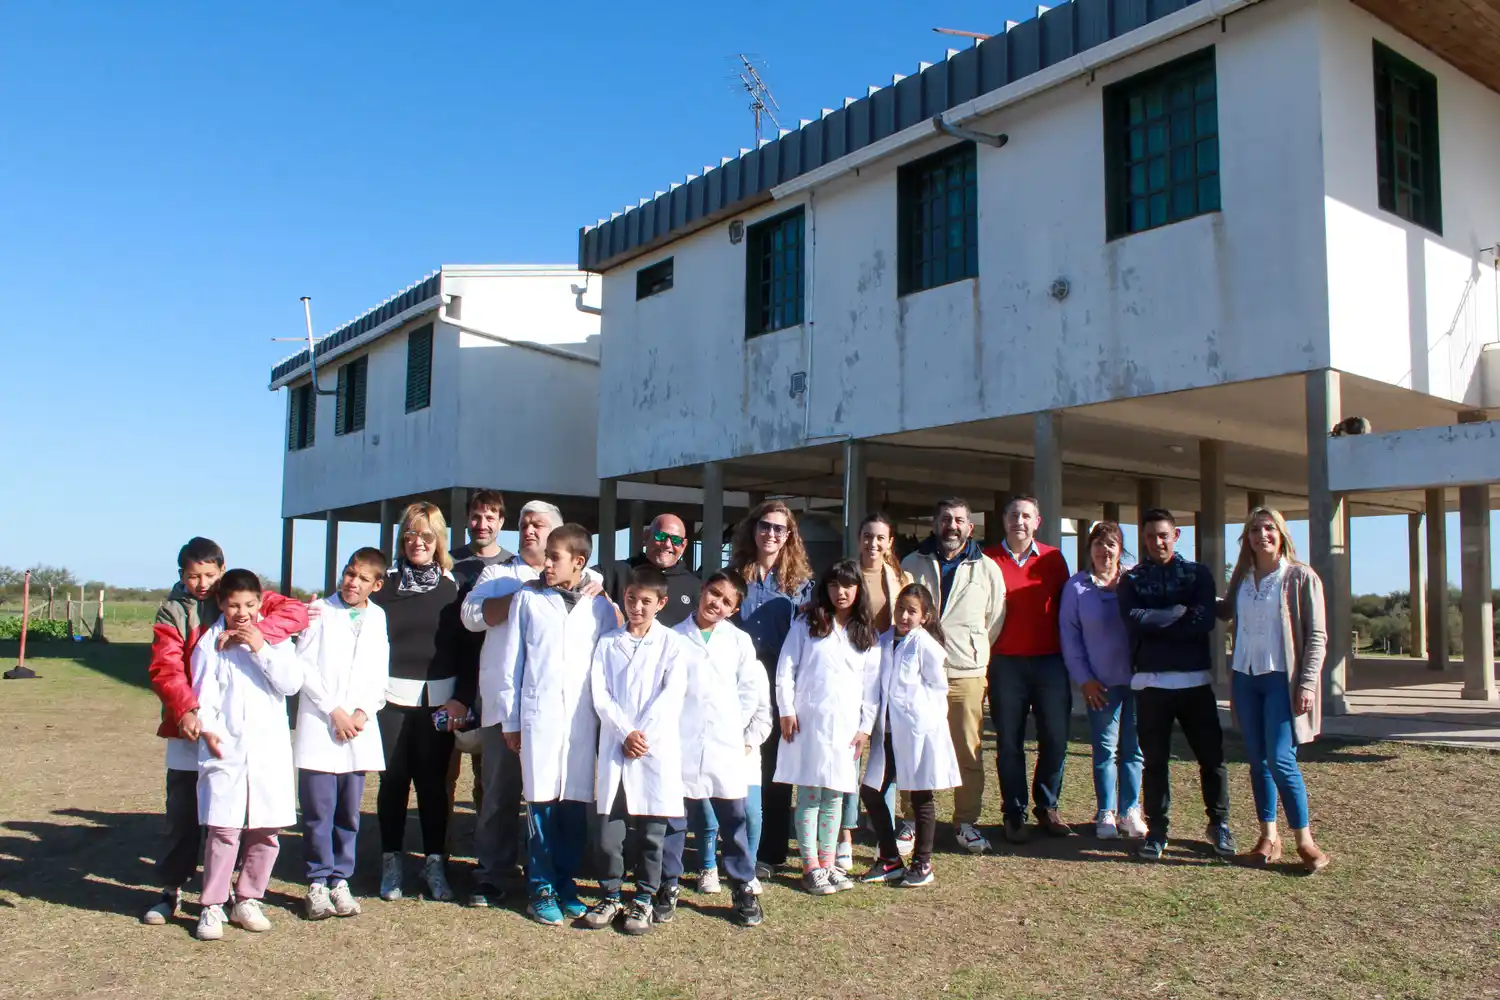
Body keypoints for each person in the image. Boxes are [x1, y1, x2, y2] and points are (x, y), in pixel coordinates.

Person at [142, 537, 308, 926]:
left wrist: (260, 639)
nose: (202, 583)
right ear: (181, 575)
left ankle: (244, 895)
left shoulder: (250, 600)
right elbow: (167, 667)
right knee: (187, 815)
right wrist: (187, 711)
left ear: (222, 570)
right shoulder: (173, 611)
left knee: (257, 822)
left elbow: (295, 614)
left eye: (209, 575)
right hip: (195, 729)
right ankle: (174, 891)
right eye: (193, 576)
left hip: (256, 738)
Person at [492, 522, 618, 926]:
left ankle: (566, 885)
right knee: (541, 805)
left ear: (579, 562)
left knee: (573, 807)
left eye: (555, 557)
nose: (546, 563)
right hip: (540, 718)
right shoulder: (528, 600)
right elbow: (512, 663)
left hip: (581, 724)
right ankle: (540, 887)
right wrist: (511, 720)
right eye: (545, 555)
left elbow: (608, 666)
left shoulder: (599, 608)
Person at [461, 499, 577, 908]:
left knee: (553, 796)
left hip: (558, 711)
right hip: (505, 707)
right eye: (525, 524)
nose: (530, 531)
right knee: (499, 794)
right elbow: (472, 616)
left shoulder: (583, 580)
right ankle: (492, 873)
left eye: (539, 525)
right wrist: (522, 595)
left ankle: (547, 873)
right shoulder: (499, 573)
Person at [189, 569, 304, 941]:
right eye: (234, 605)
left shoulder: (273, 638)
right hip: (227, 748)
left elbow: (290, 683)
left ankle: (249, 897)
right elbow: (203, 693)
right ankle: (212, 905)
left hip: (267, 749)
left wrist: (260, 647)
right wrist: (209, 730)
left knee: (266, 830)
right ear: (221, 603)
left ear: (260, 603)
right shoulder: (211, 643)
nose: (242, 612)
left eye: (250, 605)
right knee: (224, 830)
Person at [1218, 507, 1331, 874]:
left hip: (1281, 680)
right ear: (1246, 538)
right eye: (1253, 529)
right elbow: (1222, 612)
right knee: (1257, 759)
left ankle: (1305, 841)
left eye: (1268, 528)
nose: (1261, 535)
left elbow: (1316, 636)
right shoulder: (1243, 577)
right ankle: (1268, 838)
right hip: (1246, 678)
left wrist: (1308, 682)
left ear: (1281, 534)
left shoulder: (1299, 577)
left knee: (1281, 758)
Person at [1117, 508, 1234, 861]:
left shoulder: (1197, 574)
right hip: (1151, 686)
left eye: (1163, 535)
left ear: (1176, 535)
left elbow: (1203, 622)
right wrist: (1178, 613)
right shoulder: (1132, 579)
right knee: (1154, 763)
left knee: (1211, 759)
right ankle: (1158, 831)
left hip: (1195, 683)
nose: (1157, 542)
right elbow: (1133, 619)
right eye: (1151, 536)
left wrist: (1163, 622)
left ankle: (1219, 824)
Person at [579, 564, 689, 936]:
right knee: (609, 832)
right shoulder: (608, 643)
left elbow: (671, 695)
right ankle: (611, 893)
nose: (637, 607)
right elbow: (601, 694)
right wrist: (625, 732)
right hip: (616, 745)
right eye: (631, 599)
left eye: (646, 601)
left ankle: (643, 897)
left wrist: (643, 735)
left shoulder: (672, 643)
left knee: (651, 833)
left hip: (653, 749)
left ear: (661, 603)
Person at [658, 569, 769, 927]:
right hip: (680, 742)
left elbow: (750, 690)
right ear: (703, 590)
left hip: (724, 745)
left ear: (734, 609)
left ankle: (741, 885)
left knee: (733, 819)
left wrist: (730, 726)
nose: (716, 604)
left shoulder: (738, 642)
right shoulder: (673, 637)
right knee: (674, 821)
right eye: (713, 594)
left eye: (726, 602)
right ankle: (667, 885)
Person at [371, 502, 470, 902]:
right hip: (390, 701)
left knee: (433, 786)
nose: (418, 542)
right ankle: (391, 864)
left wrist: (463, 698)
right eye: (411, 535)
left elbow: (467, 649)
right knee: (393, 783)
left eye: (427, 535)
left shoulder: (454, 587)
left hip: (439, 703)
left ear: (439, 541)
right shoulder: (385, 586)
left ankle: (434, 864)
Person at [901, 498, 1007, 855]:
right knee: (913, 746)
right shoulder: (912, 563)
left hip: (966, 672)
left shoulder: (987, 568)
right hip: (918, 672)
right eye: (946, 519)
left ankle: (965, 822)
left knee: (967, 749)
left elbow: (994, 618)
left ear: (970, 527)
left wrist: (973, 649)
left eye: (960, 520)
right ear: (935, 524)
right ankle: (910, 820)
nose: (953, 526)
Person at [293, 547, 391, 920]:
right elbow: (303, 666)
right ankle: (317, 880)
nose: (353, 582)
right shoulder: (320, 611)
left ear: (376, 585)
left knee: (349, 810)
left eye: (363, 579)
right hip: (323, 721)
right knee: (319, 809)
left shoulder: (378, 617)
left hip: (358, 727)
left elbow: (379, 671)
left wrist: (362, 713)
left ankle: (340, 879)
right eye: (350, 574)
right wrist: (334, 711)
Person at [774, 559, 881, 896]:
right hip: (808, 724)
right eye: (834, 585)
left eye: (848, 585)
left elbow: (872, 686)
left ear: (859, 589)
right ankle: (810, 866)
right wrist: (786, 710)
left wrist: (865, 727)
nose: (841, 592)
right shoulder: (808, 623)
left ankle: (828, 860)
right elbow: (785, 668)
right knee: (808, 794)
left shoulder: (865, 633)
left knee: (835, 795)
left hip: (846, 727)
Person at [728, 499, 814, 876]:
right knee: (736, 767)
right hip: (738, 685)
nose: (771, 534)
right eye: (765, 526)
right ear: (753, 528)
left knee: (776, 773)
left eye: (780, 529)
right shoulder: (733, 576)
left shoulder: (801, 586)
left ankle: (772, 851)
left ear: (789, 535)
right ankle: (733, 846)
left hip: (781, 685)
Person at [984, 495, 1076, 843]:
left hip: (1050, 661)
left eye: (1026, 516)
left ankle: (1047, 806)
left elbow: (1069, 610)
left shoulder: (1053, 559)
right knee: (1009, 742)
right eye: (1012, 515)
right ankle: (1014, 812)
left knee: (1055, 736)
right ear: (1004, 520)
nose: (1019, 521)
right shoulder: (988, 559)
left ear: (1037, 521)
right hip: (1005, 663)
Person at [860, 583, 961, 888]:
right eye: (900, 608)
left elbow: (937, 689)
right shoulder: (884, 641)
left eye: (912, 611)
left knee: (920, 795)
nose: (904, 615)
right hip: (888, 732)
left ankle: (923, 862)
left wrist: (920, 717)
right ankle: (890, 858)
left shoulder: (925, 645)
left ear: (925, 616)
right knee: (871, 791)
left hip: (918, 732)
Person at [1060, 522, 1147, 840]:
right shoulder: (1077, 587)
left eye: (1111, 544)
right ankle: (1106, 812)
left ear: (1120, 549)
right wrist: (1085, 680)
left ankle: (1130, 811)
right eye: (1098, 543)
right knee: (1105, 751)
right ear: (1089, 549)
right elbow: (1071, 639)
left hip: (1137, 682)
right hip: (1100, 686)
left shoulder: (1134, 582)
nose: (1104, 550)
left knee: (1134, 750)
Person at [844, 512, 912, 869]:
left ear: (889, 543)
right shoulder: (848, 575)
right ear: (859, 539)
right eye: (867, 536)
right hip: (855, 669)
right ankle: (846, 827)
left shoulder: (901, 579)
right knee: (852, 746)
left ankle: (881, 822)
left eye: (880, 538)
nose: (873, 543)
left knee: (884, 752)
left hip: (890, 673)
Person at [446, 489, 514, 834]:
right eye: (476, 516)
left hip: (491, 681)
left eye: (490, 517)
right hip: (452, 678)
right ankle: (439, 852)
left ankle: (483, 845)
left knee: (488, 776)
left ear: (501, 522)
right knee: (446, 770)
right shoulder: (449, 561)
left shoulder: (512, 567)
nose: (482, 524)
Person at [610, 512, 702, 627]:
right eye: (661, 536)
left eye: (676, 540)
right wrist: (600, 590)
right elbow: (583, 576)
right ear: (646, 536)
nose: (668, 544)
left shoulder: (695, 588)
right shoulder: (617, 571)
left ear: (683, 546)